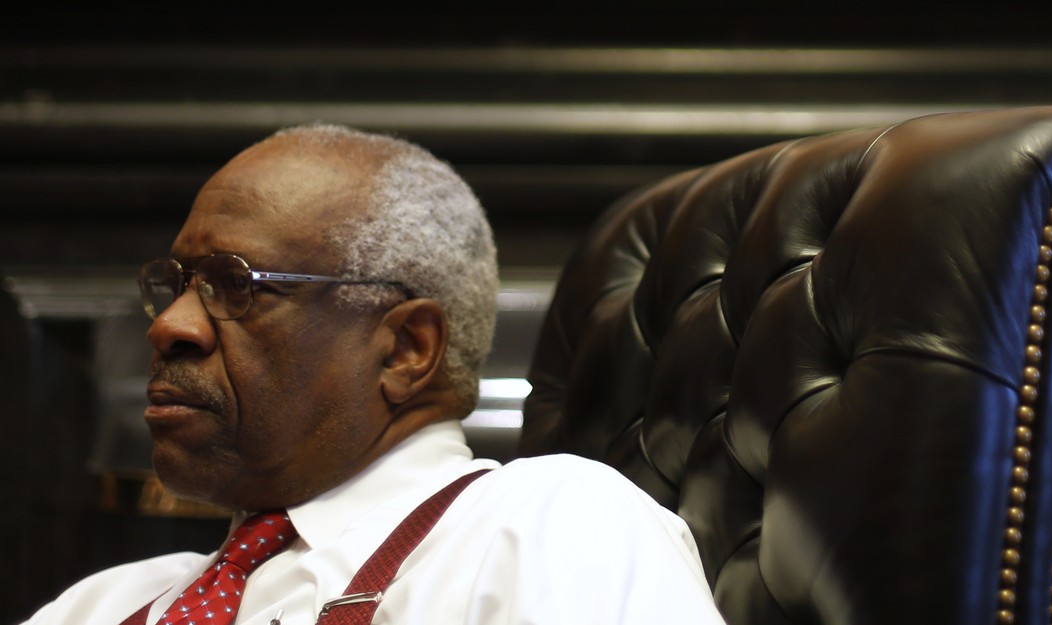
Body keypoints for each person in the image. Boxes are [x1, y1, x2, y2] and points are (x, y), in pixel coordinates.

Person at [22, 125, 727, 624]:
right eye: (175, 284)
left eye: (233, 286)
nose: (169, 325)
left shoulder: (543, 528)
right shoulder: (101, 605)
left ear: (405, 349)